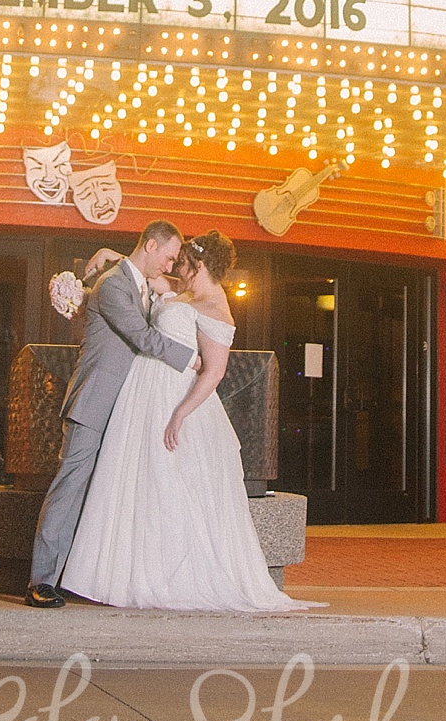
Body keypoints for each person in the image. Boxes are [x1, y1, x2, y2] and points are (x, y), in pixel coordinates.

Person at [60, 231, 314, 612]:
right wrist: (108, 252)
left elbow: (213, 372)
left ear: (202, 265)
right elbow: (139, 270)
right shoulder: (185, 290)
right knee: (135, 481)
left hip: (174, 398)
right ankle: (126, 571)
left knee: (168, 484)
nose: (178, 269)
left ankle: (168, 577)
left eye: (186, 263)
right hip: (141, 394)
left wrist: (181, 412)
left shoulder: (216, 308)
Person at [25, 219, 195, 607]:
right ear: (151, 246)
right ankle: (41, 581)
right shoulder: (114, 284)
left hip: (126, 410)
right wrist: (193, 360)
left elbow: (161, 282)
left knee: (106, 495)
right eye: (168, 257)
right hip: (94, 404)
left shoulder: (132, 278)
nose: (169, 266)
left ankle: (83, 577)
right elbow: (142, 337)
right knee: (69, 489)